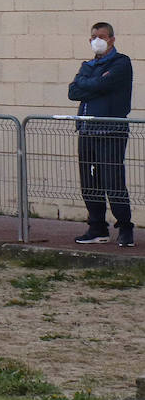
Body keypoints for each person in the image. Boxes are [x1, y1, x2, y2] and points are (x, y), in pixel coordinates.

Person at [68, 21, 134, 247]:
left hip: (111, 131)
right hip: (86, 130)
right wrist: (92, 83)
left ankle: (125, 227)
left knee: (112, 181)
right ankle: (97, 227)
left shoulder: (121, 63)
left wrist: (89, 84)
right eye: (94, 36)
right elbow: (73, 91)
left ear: (112, 39)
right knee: (89, 183)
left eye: (102, 36)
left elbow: (104, 84)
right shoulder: (88, 65)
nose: (98, 40)